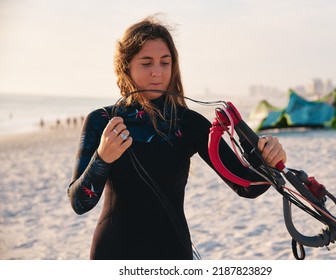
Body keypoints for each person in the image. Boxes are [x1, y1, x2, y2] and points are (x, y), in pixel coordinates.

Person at [67, 15, 287, 260]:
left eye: (165, 62)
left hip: (172, 252)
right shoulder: (103, 121)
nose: (157, 73)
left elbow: (246, 186)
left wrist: (268, 161)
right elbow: (79, 203)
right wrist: (102, 158)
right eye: (146, 63)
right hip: (114, 252)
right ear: (126, 66)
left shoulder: (187, 123)